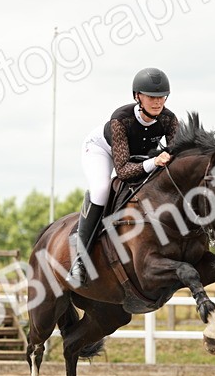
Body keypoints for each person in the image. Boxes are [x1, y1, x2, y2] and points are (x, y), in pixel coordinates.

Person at [68, 67, 180, 287]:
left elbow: (176, 154)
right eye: (151, 97)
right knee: (101, 189)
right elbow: (123, 171)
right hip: (102, 150)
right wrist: (153, 162)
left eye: (161, 97)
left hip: (140, 156)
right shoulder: (122, 119)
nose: (158, 102)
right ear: (138, 96)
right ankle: (80, 259)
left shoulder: (168, 119)